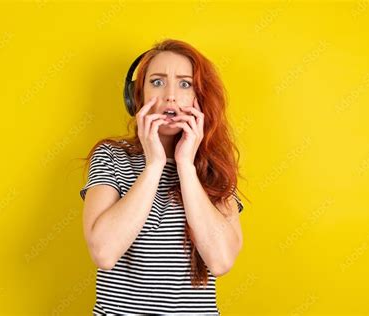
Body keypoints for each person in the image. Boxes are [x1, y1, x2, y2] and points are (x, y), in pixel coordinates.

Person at [80, 39, 247, 315]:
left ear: (199, 97)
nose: (170, 95)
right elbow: (104, 253)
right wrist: (154, 163)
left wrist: (185, 166)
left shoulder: (216, 167)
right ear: (137, 97)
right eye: (157, 82)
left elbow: (220, 261)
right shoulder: (110, 156)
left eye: (184, 84)